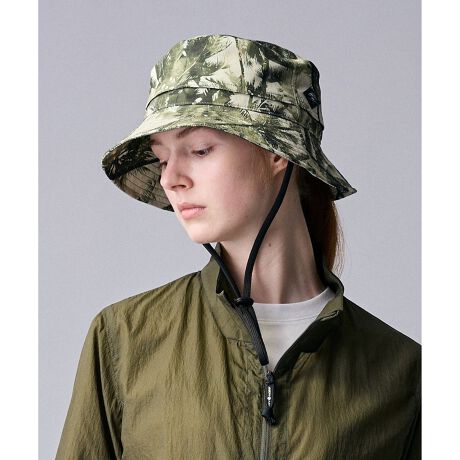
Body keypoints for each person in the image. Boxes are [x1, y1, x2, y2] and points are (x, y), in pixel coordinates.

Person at [56, 34, 421, 459]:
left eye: (199, 150)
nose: (170, 178)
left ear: (277, 151)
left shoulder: (401, 370)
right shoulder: (125, 337)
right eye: (163, 158)